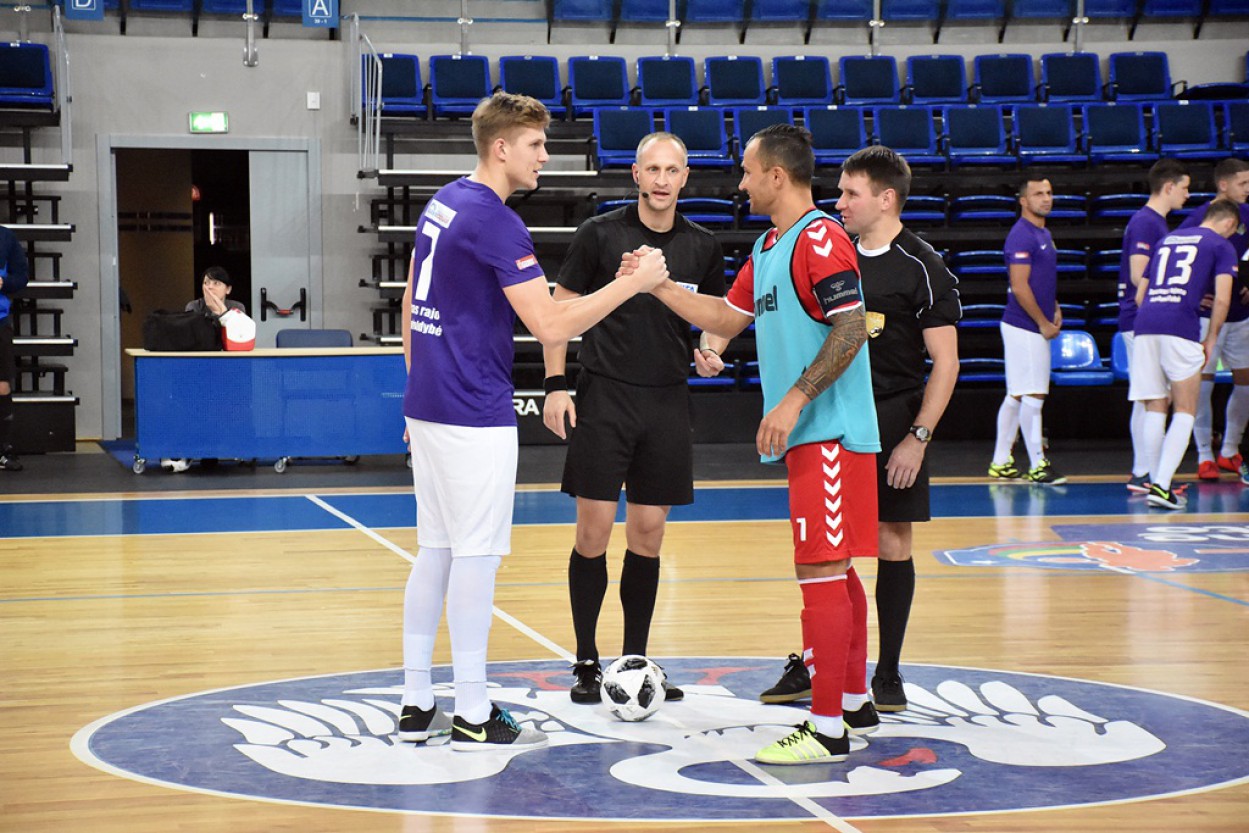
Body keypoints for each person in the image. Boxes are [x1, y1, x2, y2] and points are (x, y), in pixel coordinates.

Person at [398, 92, 669, 753]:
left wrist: (414, 390)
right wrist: (630, 285)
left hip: (429, 404)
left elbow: (409, 300)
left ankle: (416, 701)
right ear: (501, 148)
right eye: (536, 145)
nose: (545, 156)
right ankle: (471, 709)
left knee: (435, 549)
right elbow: (549, 324)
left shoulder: (444, 201)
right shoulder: (494, 221)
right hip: (471, 409)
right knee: (474, 556)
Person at [645, 123, 881, 765]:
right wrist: (659, 287)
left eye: (748, 172)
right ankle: (853, 699)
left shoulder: (820, 238)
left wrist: (795, 398)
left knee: (821, 571)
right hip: (813, 437)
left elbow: (852, 327)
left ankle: (827, 728)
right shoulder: (771, 243)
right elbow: (727, 317)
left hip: (829, 433)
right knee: (836, 569)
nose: (741, 183)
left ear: (777, 176)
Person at [758, 146, 961, 714]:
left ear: (886, 198)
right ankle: (820, 663)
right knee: (828, 553)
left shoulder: (921, 265)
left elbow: (946, 363)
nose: (840, 202)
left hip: (894, 417)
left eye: (851, 193)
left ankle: (886, 671)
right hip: (833, 411)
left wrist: (917, 438)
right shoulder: (828, 247)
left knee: (892, 541)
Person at [542, 132, 728, 704]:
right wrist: (555, 385)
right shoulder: (600, 234)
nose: (662, 179)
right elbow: (557, 310)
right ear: (636, 174)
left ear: (686, 176)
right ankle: (586, 660)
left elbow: (715, 317)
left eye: (673, 170)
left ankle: (635, 661)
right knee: (593, 533)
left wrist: (710, 349)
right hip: (604, 396)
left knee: (648, 534)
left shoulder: (703, 245)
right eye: (653, 169)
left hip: (666, 400)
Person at [1130, 198, 1238, 510]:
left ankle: (1154, 480)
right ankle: (1163, 486)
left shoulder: (1167, 239)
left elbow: (1140, 295)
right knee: (1185, 409)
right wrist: (1211, 338)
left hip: (1145, 323)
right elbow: (1222, 300)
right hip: (1180, 325)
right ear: (1229, 223)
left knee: (1155, 406)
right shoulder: (1220, 245)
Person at [1118, 159, 1192, 492]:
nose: (1187, 195)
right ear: (1169, 187)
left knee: (1148, 398)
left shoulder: (1155, 222)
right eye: (1185, 188)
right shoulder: (1147, 222)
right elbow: (1139, 276)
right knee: (1152, 397)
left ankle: (1145, 472)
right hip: (1141, 319)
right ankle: (1145, 473)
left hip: (1143, 319)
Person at [988, 175, 1066, 485]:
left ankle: (1000, 461)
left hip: (1028, 325)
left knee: (1018, 395)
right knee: (1033, 395)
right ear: (1023, 200)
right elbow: (1020, 287)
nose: (1046, 198)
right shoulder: (1021, 235)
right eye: (1038, 194)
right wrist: (1043, 323)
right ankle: (1037, 464)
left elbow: (1041, 280)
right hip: (1025, 326)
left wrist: (1054, 306)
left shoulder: (1042, 232)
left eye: (1049, 192)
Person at [1176, 159, 1249, 483]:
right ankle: (1204, 454)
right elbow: (1178, 261)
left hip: (1241, 314)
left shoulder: (1247, 215)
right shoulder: (1198, 219)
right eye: (1243, 184)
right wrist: (1195, 294)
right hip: (1206, 317)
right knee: (1201, 384)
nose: (1248, 189)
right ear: (1223, 185)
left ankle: (1230, 449)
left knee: (1246, 382)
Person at [161, 266, 248, 473]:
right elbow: (195, 336)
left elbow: (239, 335)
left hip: (227, 371)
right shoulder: (194, 306)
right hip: (198, 371)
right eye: (206, 283)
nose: (210, 287)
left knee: (227, 403)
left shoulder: (237, 307)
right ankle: (191, 451)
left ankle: (222, 449)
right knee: (192, 403)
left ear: (228, 289)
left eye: (216, 283)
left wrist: (222, 313)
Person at [0, 224, 29, 473]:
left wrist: (3, 282)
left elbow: (21, 277)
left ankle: (2, 450)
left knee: (2, 385)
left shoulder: (6, 237)